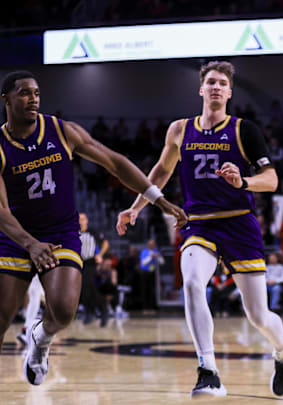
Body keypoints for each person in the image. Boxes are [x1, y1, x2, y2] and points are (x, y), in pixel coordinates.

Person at [116, 61, 283, 398]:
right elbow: (159, 173)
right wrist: (136, 208)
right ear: (201, 89)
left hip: (239, 221)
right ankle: (208, 370)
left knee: (257, 315)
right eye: (210, 82)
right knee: (194, 282)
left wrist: (242, 180)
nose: (215, 87)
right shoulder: (180, 130)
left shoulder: (244, 130)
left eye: (222, 83)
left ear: (229, 92)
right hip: (198, 224)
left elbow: (271, 180)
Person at [0, 70, 186, 386]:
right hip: (15, 237)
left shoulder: (62, 131)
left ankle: (41, 338)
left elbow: (114, 162)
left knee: (63, 310)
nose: (33, 99)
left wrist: (157, 199)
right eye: (24, 93)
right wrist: (30, 243)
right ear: (6, 99)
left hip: (59, 233)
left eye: (37, 93)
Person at [78, 212, 110, 324]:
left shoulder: (92, 232)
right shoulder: (74, 233)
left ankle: (103, 310)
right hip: (79, 263)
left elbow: (105, 243)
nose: (81, 221)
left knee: (90, 286)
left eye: (83, 219)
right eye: (79, 219)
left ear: (86, 220)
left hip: (91, 262)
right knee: (83, 290)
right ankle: (90, 312)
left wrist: (100, 255)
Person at [138, 239, 164, 310]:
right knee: (145, 290)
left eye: (153, 244)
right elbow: (143, 262)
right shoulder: (144, 252)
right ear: (148, 245)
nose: (152, 245)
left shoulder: (156, 251)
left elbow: (162, 262)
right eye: (150, 244)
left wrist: (158, 256)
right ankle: (145, 307)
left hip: (152, 272)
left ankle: (152, 306)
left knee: (152, 290)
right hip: (145, 273)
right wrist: (151, 257)